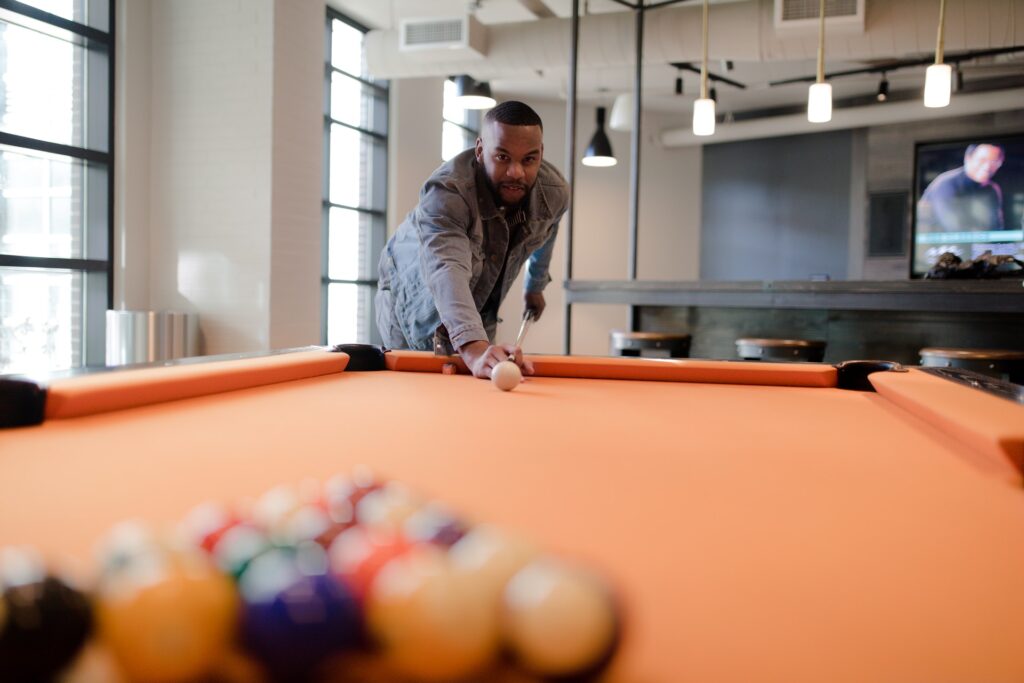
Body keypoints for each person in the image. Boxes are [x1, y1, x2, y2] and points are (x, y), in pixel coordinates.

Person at [375, 101, 569, 379]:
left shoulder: (554, 193)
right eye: (502, 157)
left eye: (529, 159)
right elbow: (447, 268)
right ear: (480, 150)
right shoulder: (446, 194)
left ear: (540, 154)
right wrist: (475, 349)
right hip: (410, 296)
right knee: (420, 393)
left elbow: (548, 230)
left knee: (478, 379)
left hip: (477, 301)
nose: (516, 172)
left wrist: (535, 285)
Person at [917, 143, 1006, 233]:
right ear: (968, 158)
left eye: (994, 162)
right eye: (982, 160)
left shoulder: (992, 189)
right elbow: (955, 228)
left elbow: (997, 228)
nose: (987, 167)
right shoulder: (946, 183)